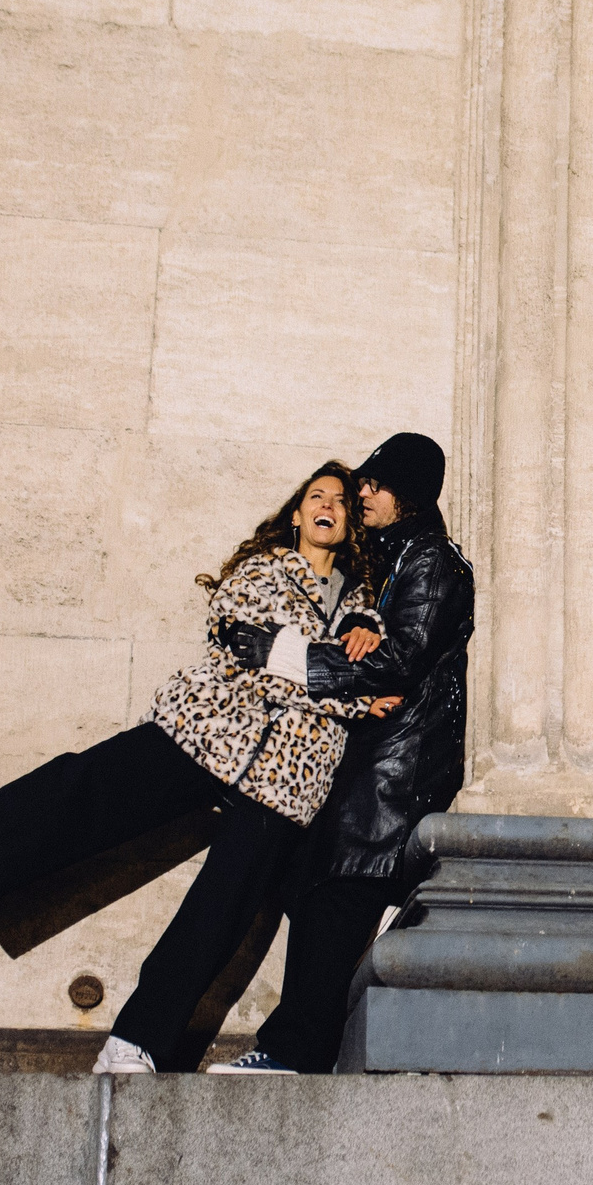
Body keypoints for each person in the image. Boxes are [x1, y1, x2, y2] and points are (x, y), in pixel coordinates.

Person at [0, 463, 397, 1073]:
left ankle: (135, 1043)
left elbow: (367, 680)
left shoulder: (363, 608)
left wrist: (324, 664)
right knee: (81, 788)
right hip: (212, 725)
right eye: (315, 496)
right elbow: (247, 646)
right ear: (297, 514)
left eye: (340, 501)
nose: (328, 504)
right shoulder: (260, 571)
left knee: (218, 914)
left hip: (290, 777)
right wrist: (336, 681)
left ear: (350, 522)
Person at [204, 431, 474, 1074]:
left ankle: (292, 1051)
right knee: (323, 897)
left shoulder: (432, 559)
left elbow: (401, 659)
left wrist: (286, 656)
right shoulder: (396, 559)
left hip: (395, 771)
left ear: (405, 495)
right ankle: (296, 1046)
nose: (363, 496)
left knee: (336, 906)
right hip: (376, 764)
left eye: (374, 487)